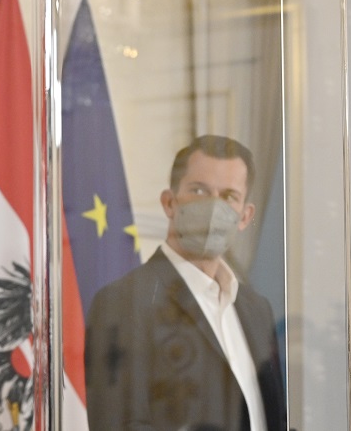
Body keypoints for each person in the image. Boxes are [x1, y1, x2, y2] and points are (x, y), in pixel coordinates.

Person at [85, 135, 286, 430]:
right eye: (199, 190)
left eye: (229, 196)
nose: (214, 206)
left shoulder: (256, 310)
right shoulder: (123, 302)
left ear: (245, 216)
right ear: (169, 202)